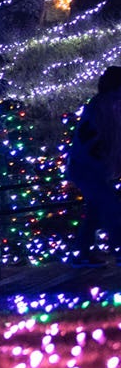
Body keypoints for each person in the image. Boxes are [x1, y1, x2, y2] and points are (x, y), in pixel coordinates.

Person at [67, 67, 121, 264]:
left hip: (88, 166)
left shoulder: (104, 104)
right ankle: (118, 248)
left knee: (95, 211)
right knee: (111, 207)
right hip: (90, 167)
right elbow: (107, 137)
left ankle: (82, 253)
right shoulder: (106, 106)